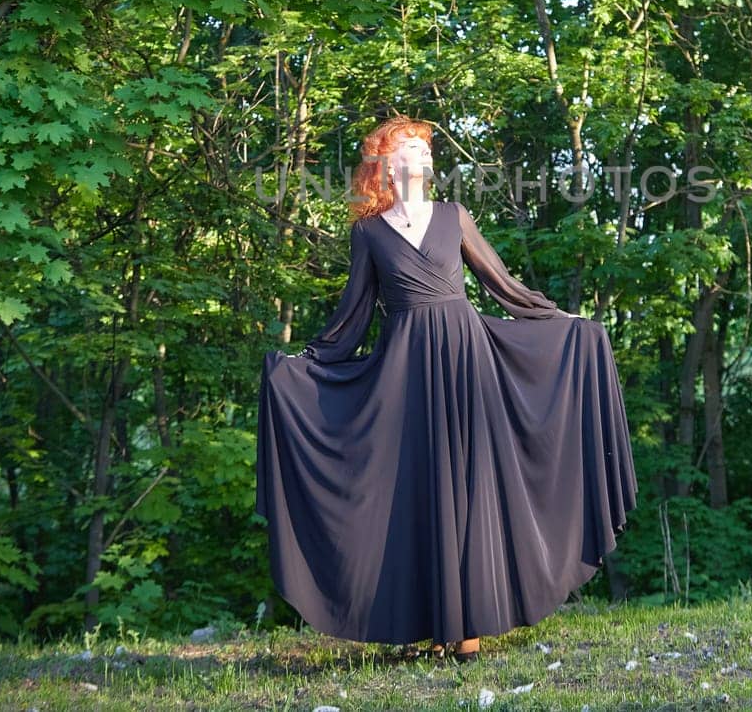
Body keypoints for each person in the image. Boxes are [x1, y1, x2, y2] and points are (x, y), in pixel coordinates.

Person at [254, 114, 637, 663]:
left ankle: (472, 628)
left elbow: (501, 284)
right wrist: (304, 363)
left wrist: (563, 320)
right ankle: (439, 624)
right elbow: (354, 316)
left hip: (467, 361)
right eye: (411, 146)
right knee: (422, 489)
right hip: (404, 370)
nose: (424, 155)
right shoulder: (368, 233)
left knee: (473, 486)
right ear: (387, 163)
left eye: (426, 147)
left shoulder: (454, 216)